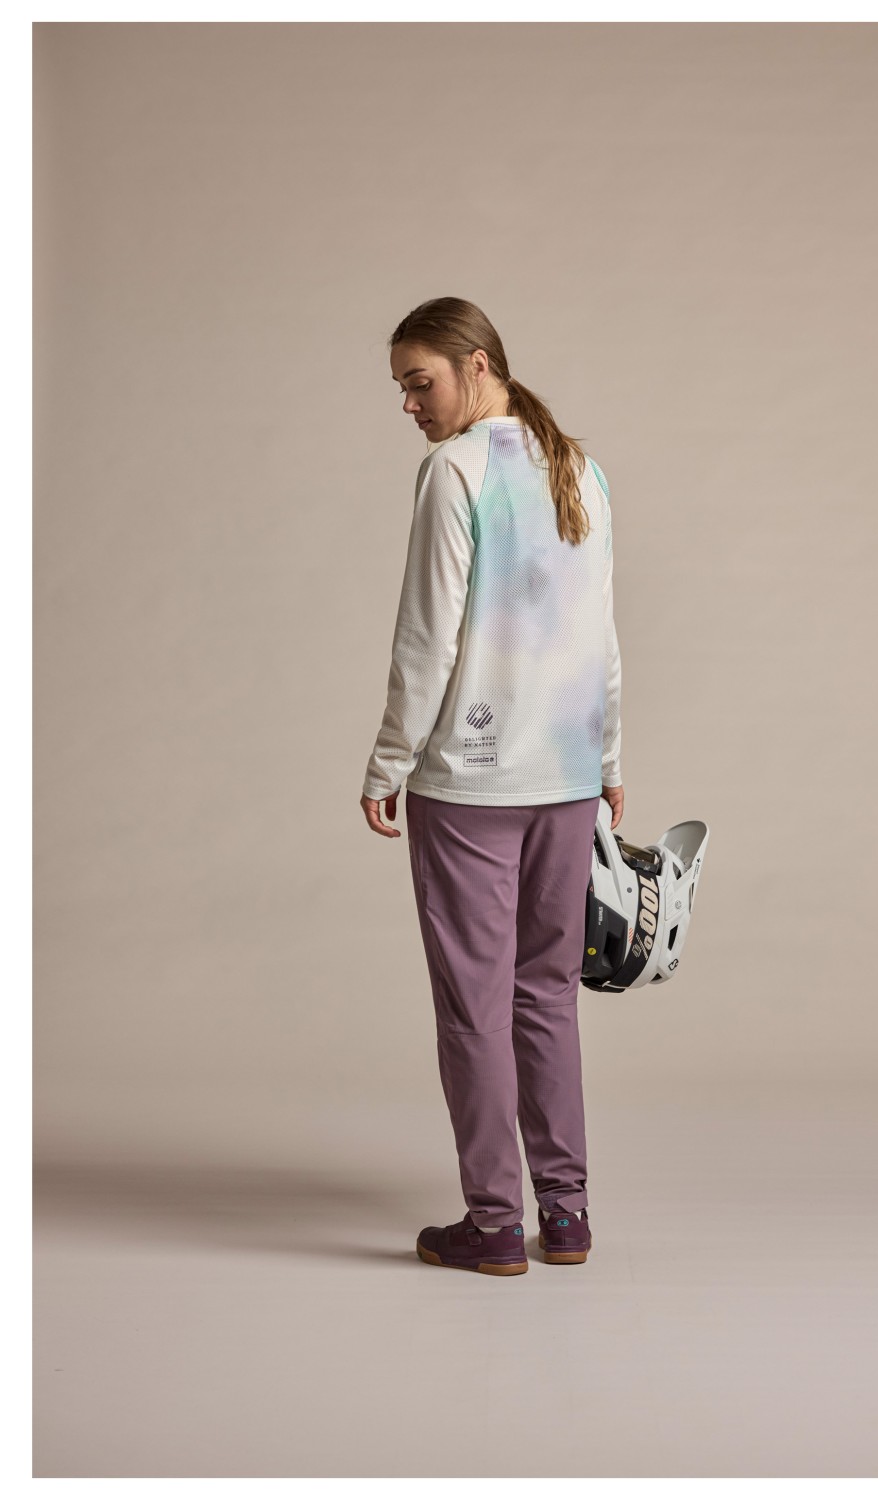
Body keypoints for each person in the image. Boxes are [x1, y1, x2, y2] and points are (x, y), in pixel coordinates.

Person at [359, 297, 623, 1276]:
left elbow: (426, 639)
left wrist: (389, 761)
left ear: (477, 365)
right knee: (547, 996)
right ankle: (568, 1215)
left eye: (419, 381)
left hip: (473, 787)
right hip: (566, 775)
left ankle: (496, 1223)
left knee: (475, 1006)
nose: (409, 404)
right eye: (402, 388)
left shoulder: (455, 471)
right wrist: (609, 761)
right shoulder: (580, 468)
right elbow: (600, 637)